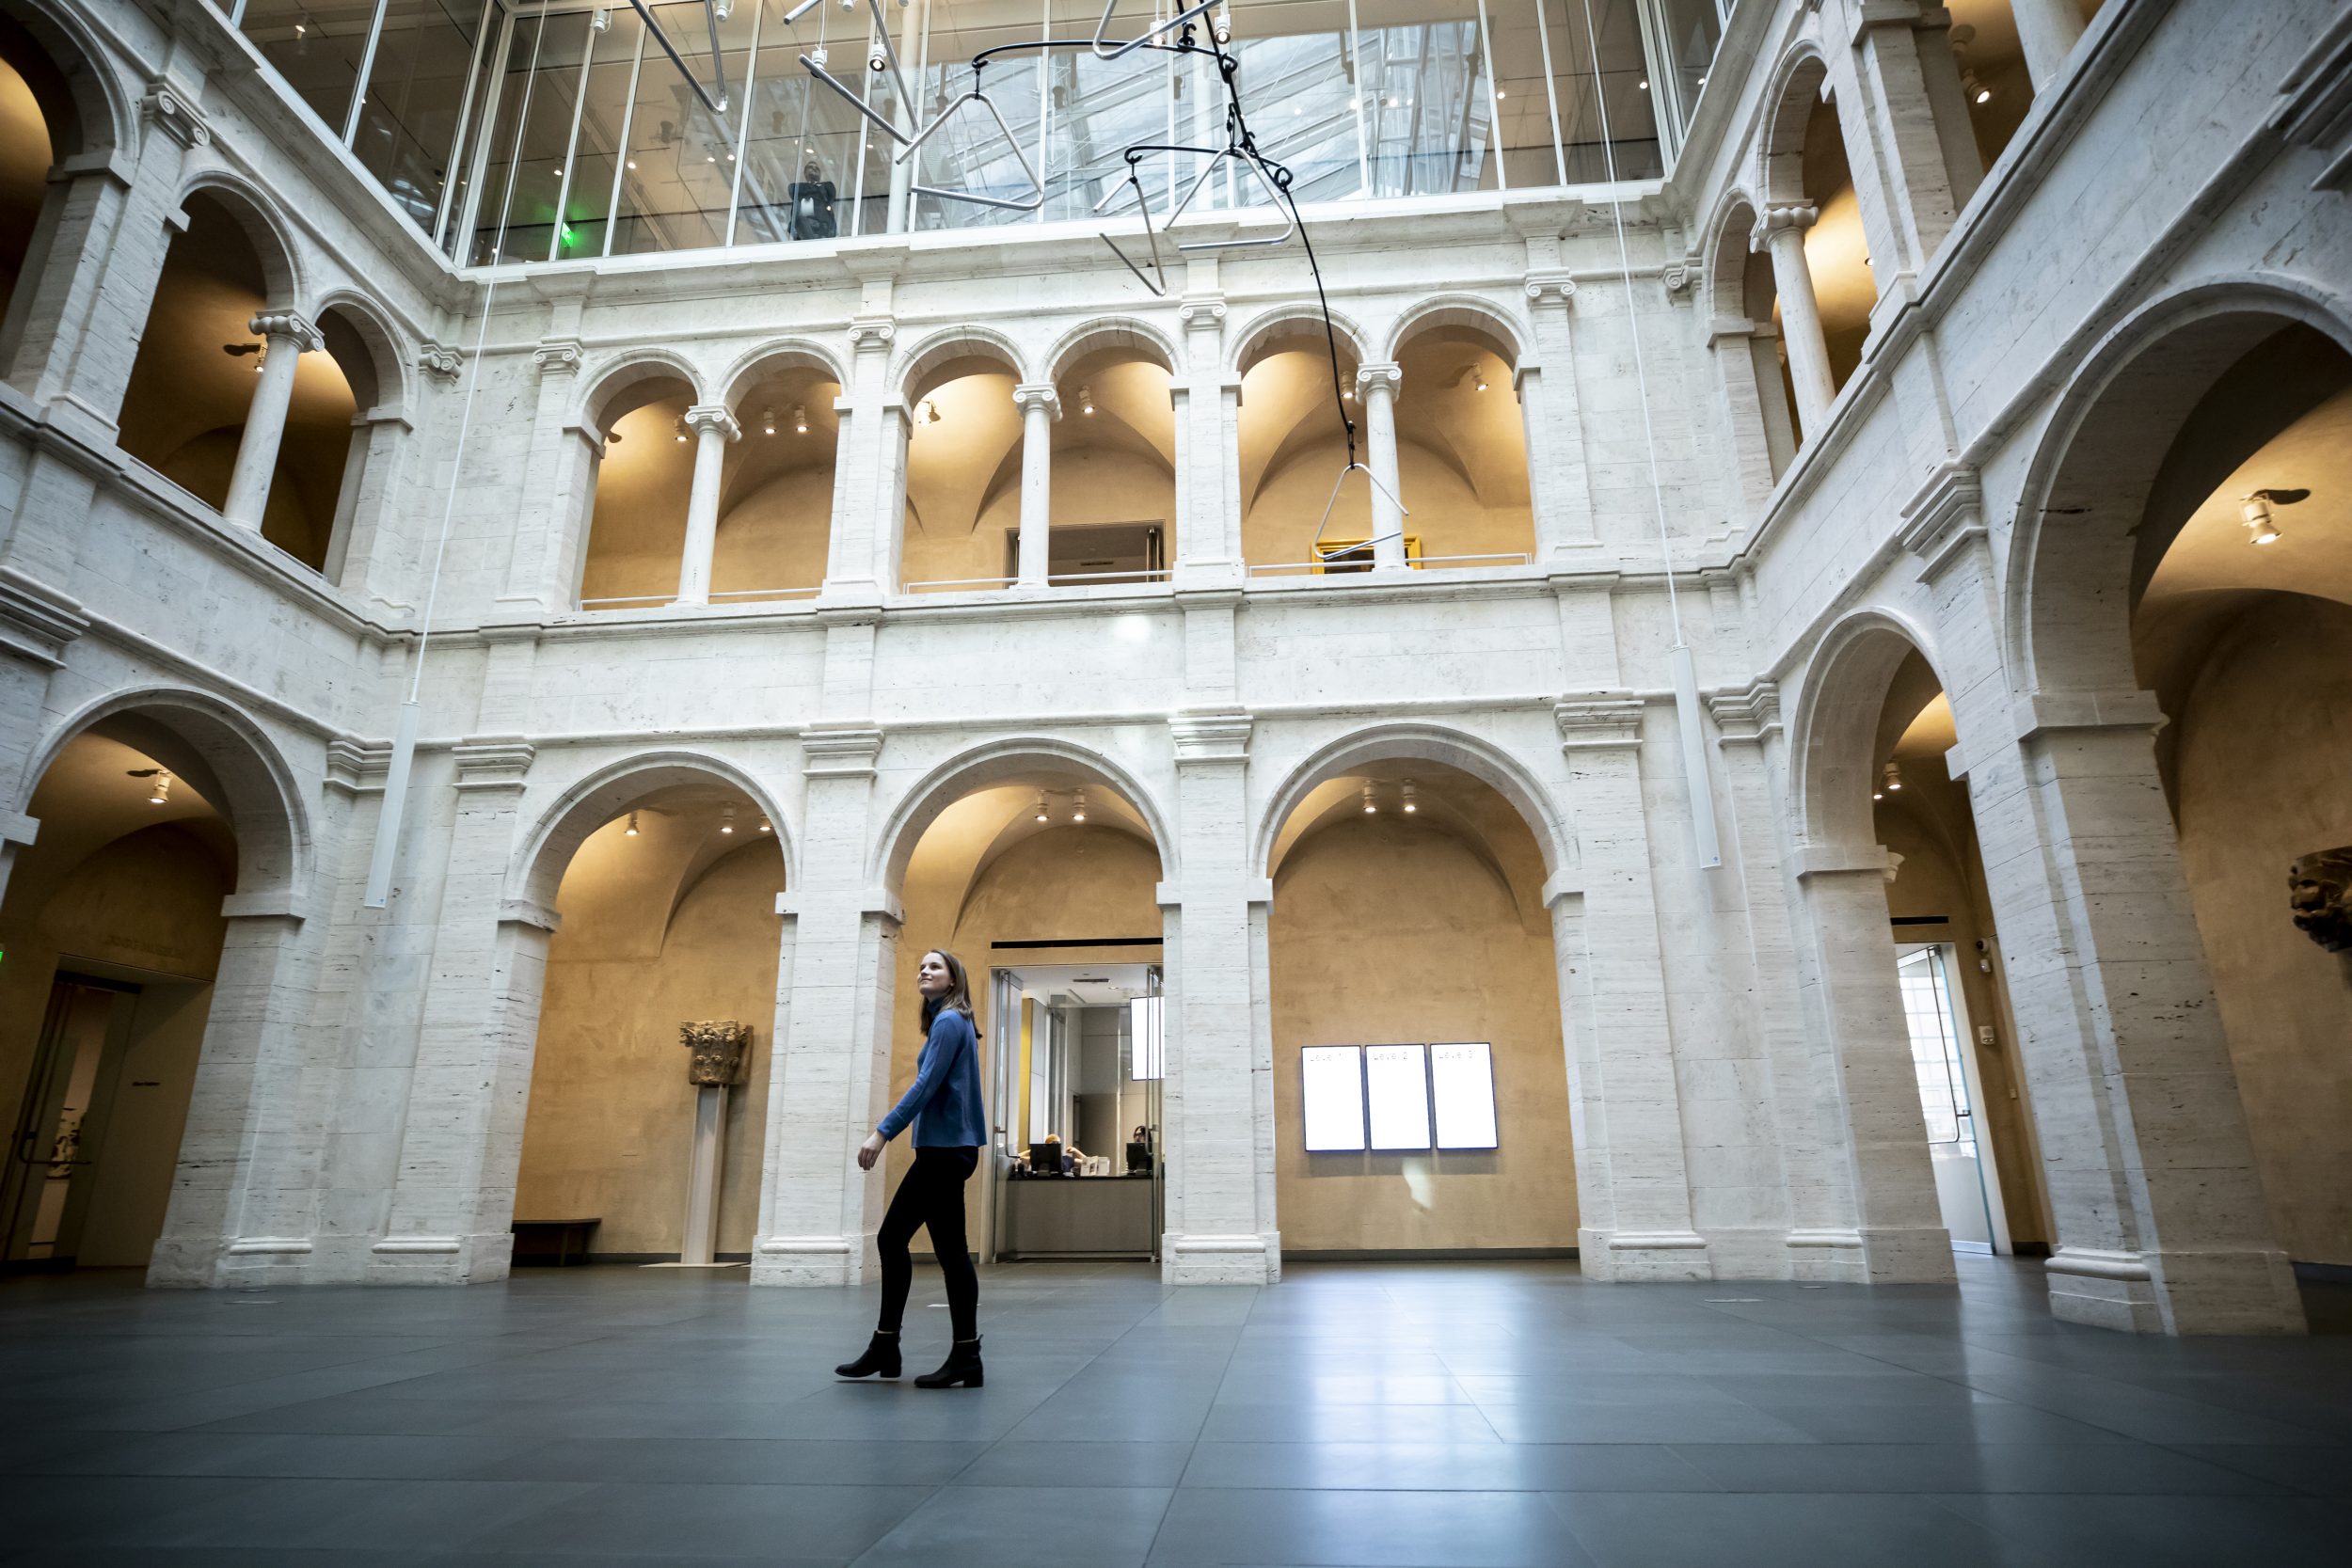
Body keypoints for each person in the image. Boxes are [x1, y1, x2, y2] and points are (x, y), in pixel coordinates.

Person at [834, 948, 987, 1388]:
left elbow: (925, 1085)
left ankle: (891, 1346)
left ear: (954, 979)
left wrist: (881, 1133)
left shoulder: (949, 1022)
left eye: (935, 966)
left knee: (892, 1238)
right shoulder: (951, 1023)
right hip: (948, 1150)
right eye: (922, 966)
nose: (924, 970)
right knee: (951, 1254)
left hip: (944, 1152)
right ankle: (961, 1356)